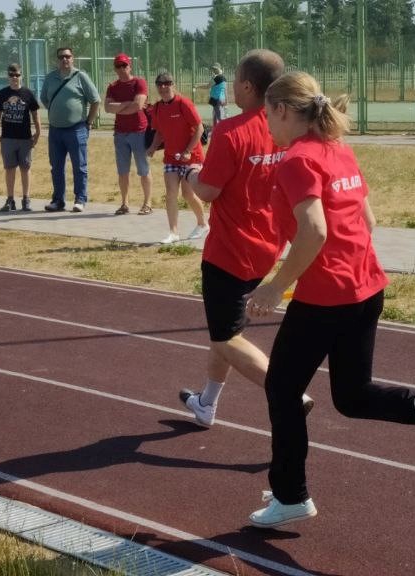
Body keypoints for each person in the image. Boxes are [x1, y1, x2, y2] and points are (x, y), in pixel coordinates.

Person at [245, 71, 415, 529]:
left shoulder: (297, 161)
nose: (266, 124)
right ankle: (414, 405)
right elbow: (367, 221)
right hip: (367, 288)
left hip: (326, 297)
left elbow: (314, 231)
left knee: (282, 389)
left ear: (283, 110)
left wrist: (275, 286)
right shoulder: (339, 151)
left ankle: (291, 496)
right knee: (352, 396)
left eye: (267, 114)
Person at [177, 49, 313, 428]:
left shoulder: (231, 131)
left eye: (236, 79)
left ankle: (290, 392)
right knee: (226, 330)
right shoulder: (286, 128)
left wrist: (191, 173)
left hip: (229, 252)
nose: (232, 86)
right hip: (268, 246)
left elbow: (208, 191)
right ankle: (207, 403)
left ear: (249, 86)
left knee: (226, 338)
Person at [146, 71, 207, 244]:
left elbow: (199, 128)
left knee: (187, 194)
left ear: (173, 85)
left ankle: (203, 224)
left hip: (191, 157)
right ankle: (173, 232)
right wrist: (152, 147)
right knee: (171, 193)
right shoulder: (157, 108)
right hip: (171, 157)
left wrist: (188, 151)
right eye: (160, 84)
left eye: (167, 83)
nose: (163, 87)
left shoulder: (183, 104)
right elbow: (159, 131)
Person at [40, 47, 100, 213]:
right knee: (56, 167)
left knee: (79, 166)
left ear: (73, 58)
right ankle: (58, 200)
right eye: (61, 57)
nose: (64, 59)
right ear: (57, 60)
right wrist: (57, 111)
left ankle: (80, 199)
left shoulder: (81, 76)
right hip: (55, 131)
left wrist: (89, 122)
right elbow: (44, 98)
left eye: (67, 56)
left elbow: (95, 100)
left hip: (77, 129)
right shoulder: (50, 78)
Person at [103, 53, 151, 216]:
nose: (122, 68)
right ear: (115, 69)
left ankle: (147, 203)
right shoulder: (112, 86)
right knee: (122, 171)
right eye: (118, 66)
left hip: (139, 131)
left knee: (143, 169)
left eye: (124, 65)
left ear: (130, 66)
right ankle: (124, 203)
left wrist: (119, 107)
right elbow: (107, 108)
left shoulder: (139, 82)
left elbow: (138, 105)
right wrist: (127, 104)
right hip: (120, 133)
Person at [0, 63, 41, 212]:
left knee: (25, 168)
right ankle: (10, 199)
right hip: (8, 137)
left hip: (25, 138)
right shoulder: (2, 93)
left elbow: (35, 114)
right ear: (7, 76)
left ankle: (26, 199)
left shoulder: (28, 93)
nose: (14, 78)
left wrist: (38, 132)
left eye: (17, 75)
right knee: (10, 169)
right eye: (11, 75)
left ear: (21, 76)